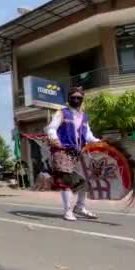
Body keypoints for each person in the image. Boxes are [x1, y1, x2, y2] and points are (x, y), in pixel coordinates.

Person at [45, 86, 100, 221]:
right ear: (68, 99)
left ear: (82, 100)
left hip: (78, 152)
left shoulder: (84, 117)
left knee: (85, 179)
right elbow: (51, 128)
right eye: (73, 97)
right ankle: (67, 210)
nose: (76, 100)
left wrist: (100, 142)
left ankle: (80, 207)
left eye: (79, 98)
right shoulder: (62, 113)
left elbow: (88, 135)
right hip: (63, 150)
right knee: (66, 181)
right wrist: (55, 139)